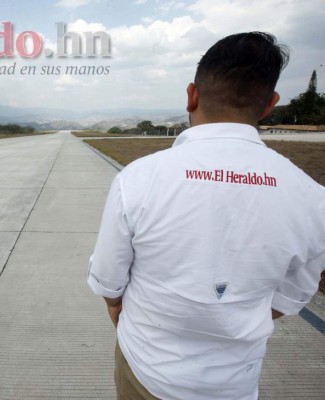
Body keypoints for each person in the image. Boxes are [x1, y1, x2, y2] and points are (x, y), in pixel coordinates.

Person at [87, 32, 325, 400]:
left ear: (191, 95)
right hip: (236, 383)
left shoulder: (139, 178)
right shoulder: (313, 198)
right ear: (269, 105)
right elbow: (290, 299)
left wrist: (121, 310)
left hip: (149, 370)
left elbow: (108, 278)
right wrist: (224, 319)